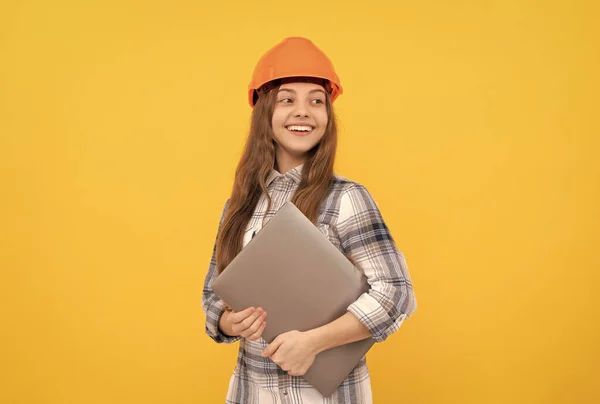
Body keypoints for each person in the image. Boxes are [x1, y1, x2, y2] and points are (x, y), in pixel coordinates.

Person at [202, 37, 417, 404]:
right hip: (251, 392)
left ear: (327, 117)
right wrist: (228, 322)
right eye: (287, 99)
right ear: (264, 113)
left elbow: (397, 293)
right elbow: (212, 298)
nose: (303, 111)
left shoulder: (346, 198)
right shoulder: (239, 206)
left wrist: (313, 342)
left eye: (316, 101)